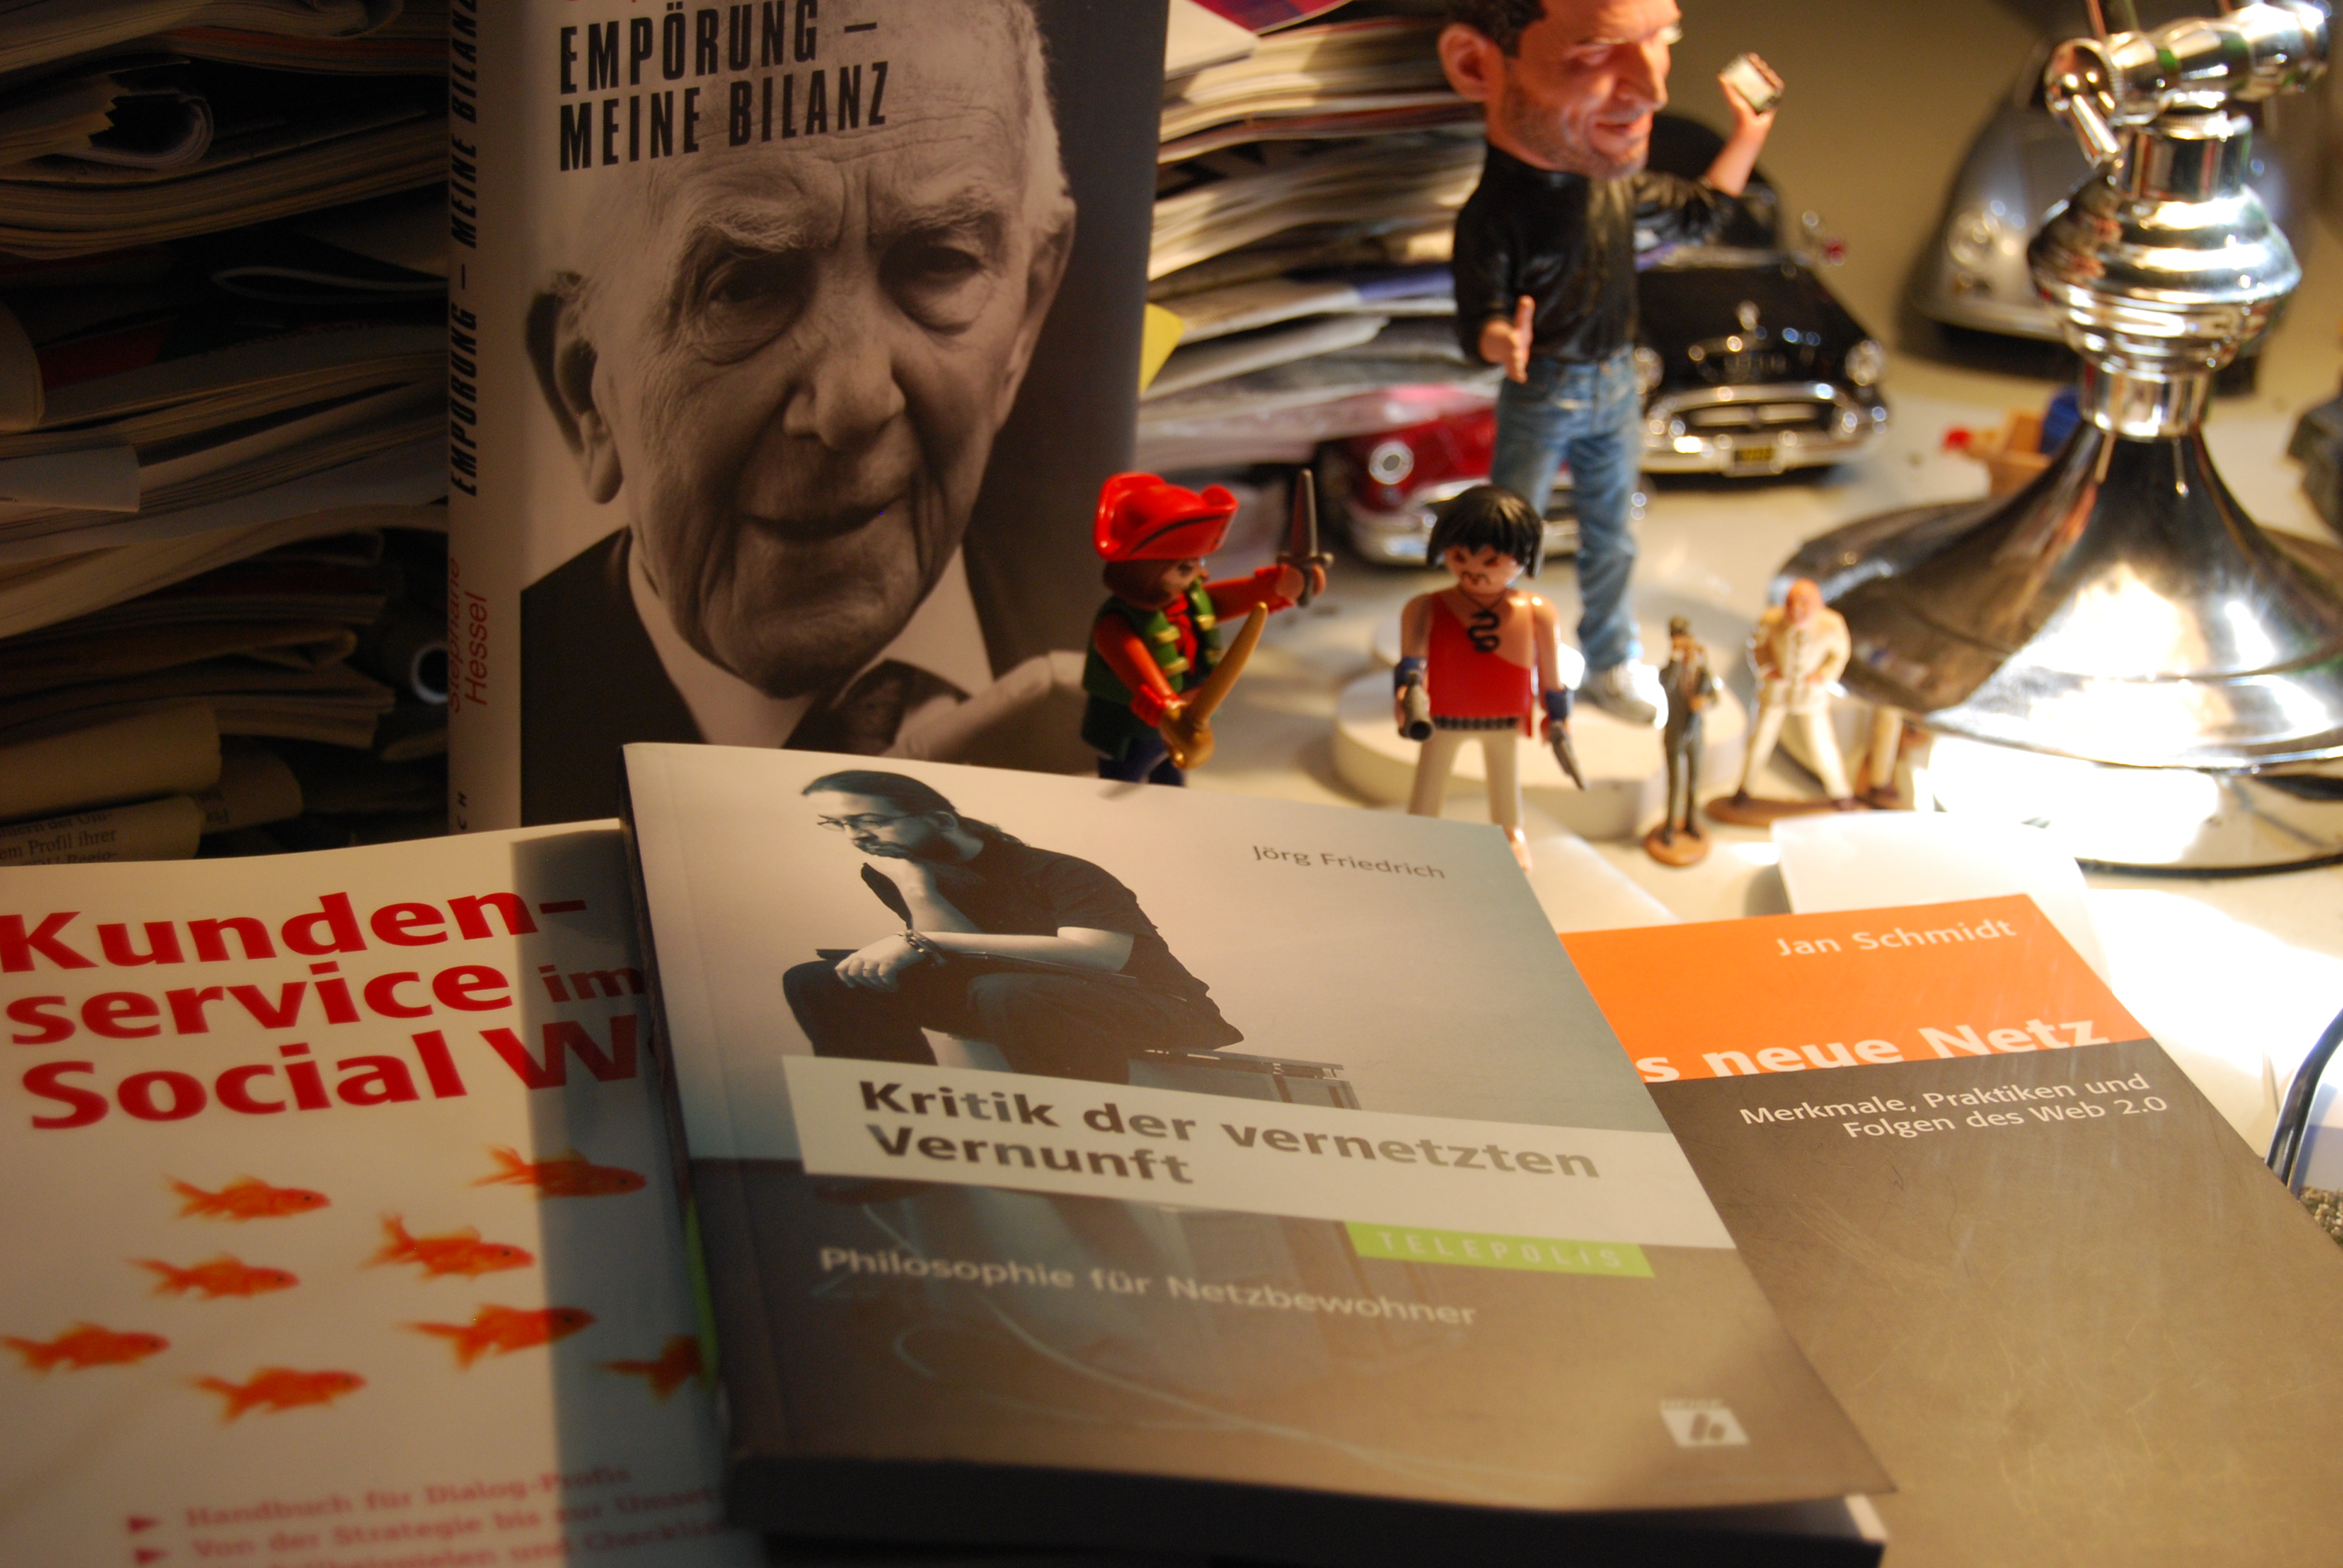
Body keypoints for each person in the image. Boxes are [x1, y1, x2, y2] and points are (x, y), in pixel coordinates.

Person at [519, 0, 1080, 823]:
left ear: (1028, 304)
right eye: (747, 285)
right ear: (586, 392)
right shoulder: (505, 717)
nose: (855, 404)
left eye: (937, 261)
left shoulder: (1119, 619)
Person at [1439, 0, 1780, 725]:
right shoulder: (1494, 214)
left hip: (1617, 385)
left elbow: (1697, 213)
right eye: (1594, 52)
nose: (1653, 90)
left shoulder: (1618, 185)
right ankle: (1490, 656)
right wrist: (1501, 340)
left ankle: (1610, 656)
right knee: (1504, 534)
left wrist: (1749, 134)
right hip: (1543, 388)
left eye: (1663, 40)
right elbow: (1478, 317)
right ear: (1475, 65)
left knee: (1612, 537)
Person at [782, 769, 1244, 1085]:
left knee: (1006, 990)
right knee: (824, 980)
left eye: (869, 822)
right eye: (838, 825)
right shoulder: (898, 869)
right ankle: (896, 1131)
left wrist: (921, 940)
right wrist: (918, 889)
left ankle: (1086, 1144)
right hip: (1008, 997)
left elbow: (1101, 955)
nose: (855, 838)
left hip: (1157, 1005)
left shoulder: (1059, 871)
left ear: (940, 821)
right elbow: (966, 957)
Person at [1081, 474, 1322, 786]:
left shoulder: (1190, 598)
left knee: (1172, 785)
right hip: (1130, 732)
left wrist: (1281, 587)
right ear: (1146, 572)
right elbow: (1135, 667)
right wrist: (1168, 707)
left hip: (1180, 727)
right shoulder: (1115, 623)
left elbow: (1239, 596)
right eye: (1186, 567)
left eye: (1200, 562)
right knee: (1122, 784)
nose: (1202, 574)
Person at [1395, 485, 1572, 871]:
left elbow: (1551, 672)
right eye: (1460, 557)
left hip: (1503, 716)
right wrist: (1406, 694)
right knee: (1430, 780)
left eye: (1491, 560)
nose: (1474, 571)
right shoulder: (1425, 607)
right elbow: (1411, 662)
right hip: (1442, 716)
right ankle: (1417, 836)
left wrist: (1557, 714)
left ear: (1524, 556)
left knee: (1505, 779)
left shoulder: (1537, 611)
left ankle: (1510, 834)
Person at [1727, 577, 1853, 810]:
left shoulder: (1832, 625)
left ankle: (1841, 794)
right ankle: (1744, 789)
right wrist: (1767, 669)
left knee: (1822, 746)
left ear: (1819, 605)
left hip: (1811, 697)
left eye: (1804, 603)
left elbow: (1839, 655)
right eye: (1790, 603)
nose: (1796, 609)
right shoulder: (1770, 620)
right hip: (1775, 695)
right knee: (1759, 743)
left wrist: (1823, 675)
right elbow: (1757, 647)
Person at [1648, 614, 1719, 861]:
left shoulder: (1702, 672)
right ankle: (1669, 827)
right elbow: (1666, 683)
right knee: (1675, 784)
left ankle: (1690, 822)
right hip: (1675, 734)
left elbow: (1715, 697)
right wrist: (1676, 658)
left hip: (1696, 735)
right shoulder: (1670, 672)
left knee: (1694, 783)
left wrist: (1705, 701)